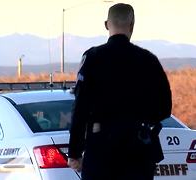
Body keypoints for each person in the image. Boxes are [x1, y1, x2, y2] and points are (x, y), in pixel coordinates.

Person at [67, 3, 172, 180]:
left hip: (101, 149)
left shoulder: (93, 58)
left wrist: (74, 151)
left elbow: (81, 107)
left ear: (107, 24)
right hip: (138, 149)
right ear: (132, 25)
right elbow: (164, 108)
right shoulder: (148, 60)